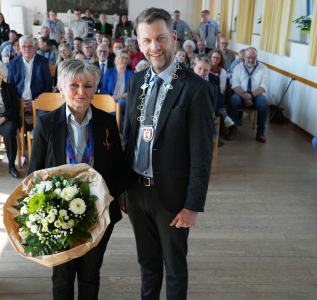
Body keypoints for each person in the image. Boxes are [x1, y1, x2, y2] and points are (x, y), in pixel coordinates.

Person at [121, 7, 214, 299]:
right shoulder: (136, 81)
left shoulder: (195, 89)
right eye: (146, 41)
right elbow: (129, 138)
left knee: (174, 267)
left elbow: (202, 154)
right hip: (137, 191)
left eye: (160, 38)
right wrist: (124, 187)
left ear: (173, 37)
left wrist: (193, 205)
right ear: (138, 43)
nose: (154, 47)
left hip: (172, 196)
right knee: (147, 263)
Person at [29, 59, 125, 300]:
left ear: (95, 89)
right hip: (58, 214)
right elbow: (35, 172)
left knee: (91, 273)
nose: (81, 91)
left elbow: (119, 168)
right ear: (61, 88)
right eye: (74, 85)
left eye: (88, 85)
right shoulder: (47, 124)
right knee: (62, 276)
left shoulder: (106, 122)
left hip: (99, 211)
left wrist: (104, 200)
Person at [227, 47, 269, 143]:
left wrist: (251, 96)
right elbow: (235, 85)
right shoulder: (238, 67)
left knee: (263, 103)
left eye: (253, 57)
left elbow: (264, 86)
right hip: (240, 93)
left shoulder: (263, 68)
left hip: (256, 94)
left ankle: (260, 132)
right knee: (233, 101)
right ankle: (232, 130)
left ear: (257, 57)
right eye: (248, 57)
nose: (251, 60)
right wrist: (245, 96)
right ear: (244, 57)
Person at [8, 35, 52, 113]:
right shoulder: (13, 63)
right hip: (18, 101)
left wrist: (35, 101)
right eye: (24, 47)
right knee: (10, 117)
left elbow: (48, 86)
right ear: (20, 48)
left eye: (30, 46)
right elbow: (10, 86)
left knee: (43, 118)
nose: (27, 49)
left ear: (35, 47)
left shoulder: (43, 62)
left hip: (38, 101)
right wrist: (20, 102)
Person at [194, 54, 235, 130]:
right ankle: (224, 115)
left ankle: (213, 134)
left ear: (209, 70)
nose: (202, 72)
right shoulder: (189, 79)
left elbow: (215, 96)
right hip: (193, 108)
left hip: (209, 107)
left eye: (206, 70)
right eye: (200, 68)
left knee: (217, 94)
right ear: (194, 68)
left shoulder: (215, 78)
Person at [101, 49, 133, 129]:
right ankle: (119, 134)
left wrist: (118, 97)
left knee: (119, 104)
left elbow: (132, 91)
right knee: (115, 111)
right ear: (117, 59)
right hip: (109, 98)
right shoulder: (109, 72)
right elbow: (103, 88)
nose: (125, 60)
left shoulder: (131, 74)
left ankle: (118, 133)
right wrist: (110, 98)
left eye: (127, 58)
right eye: (122, 58)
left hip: (124, 100)